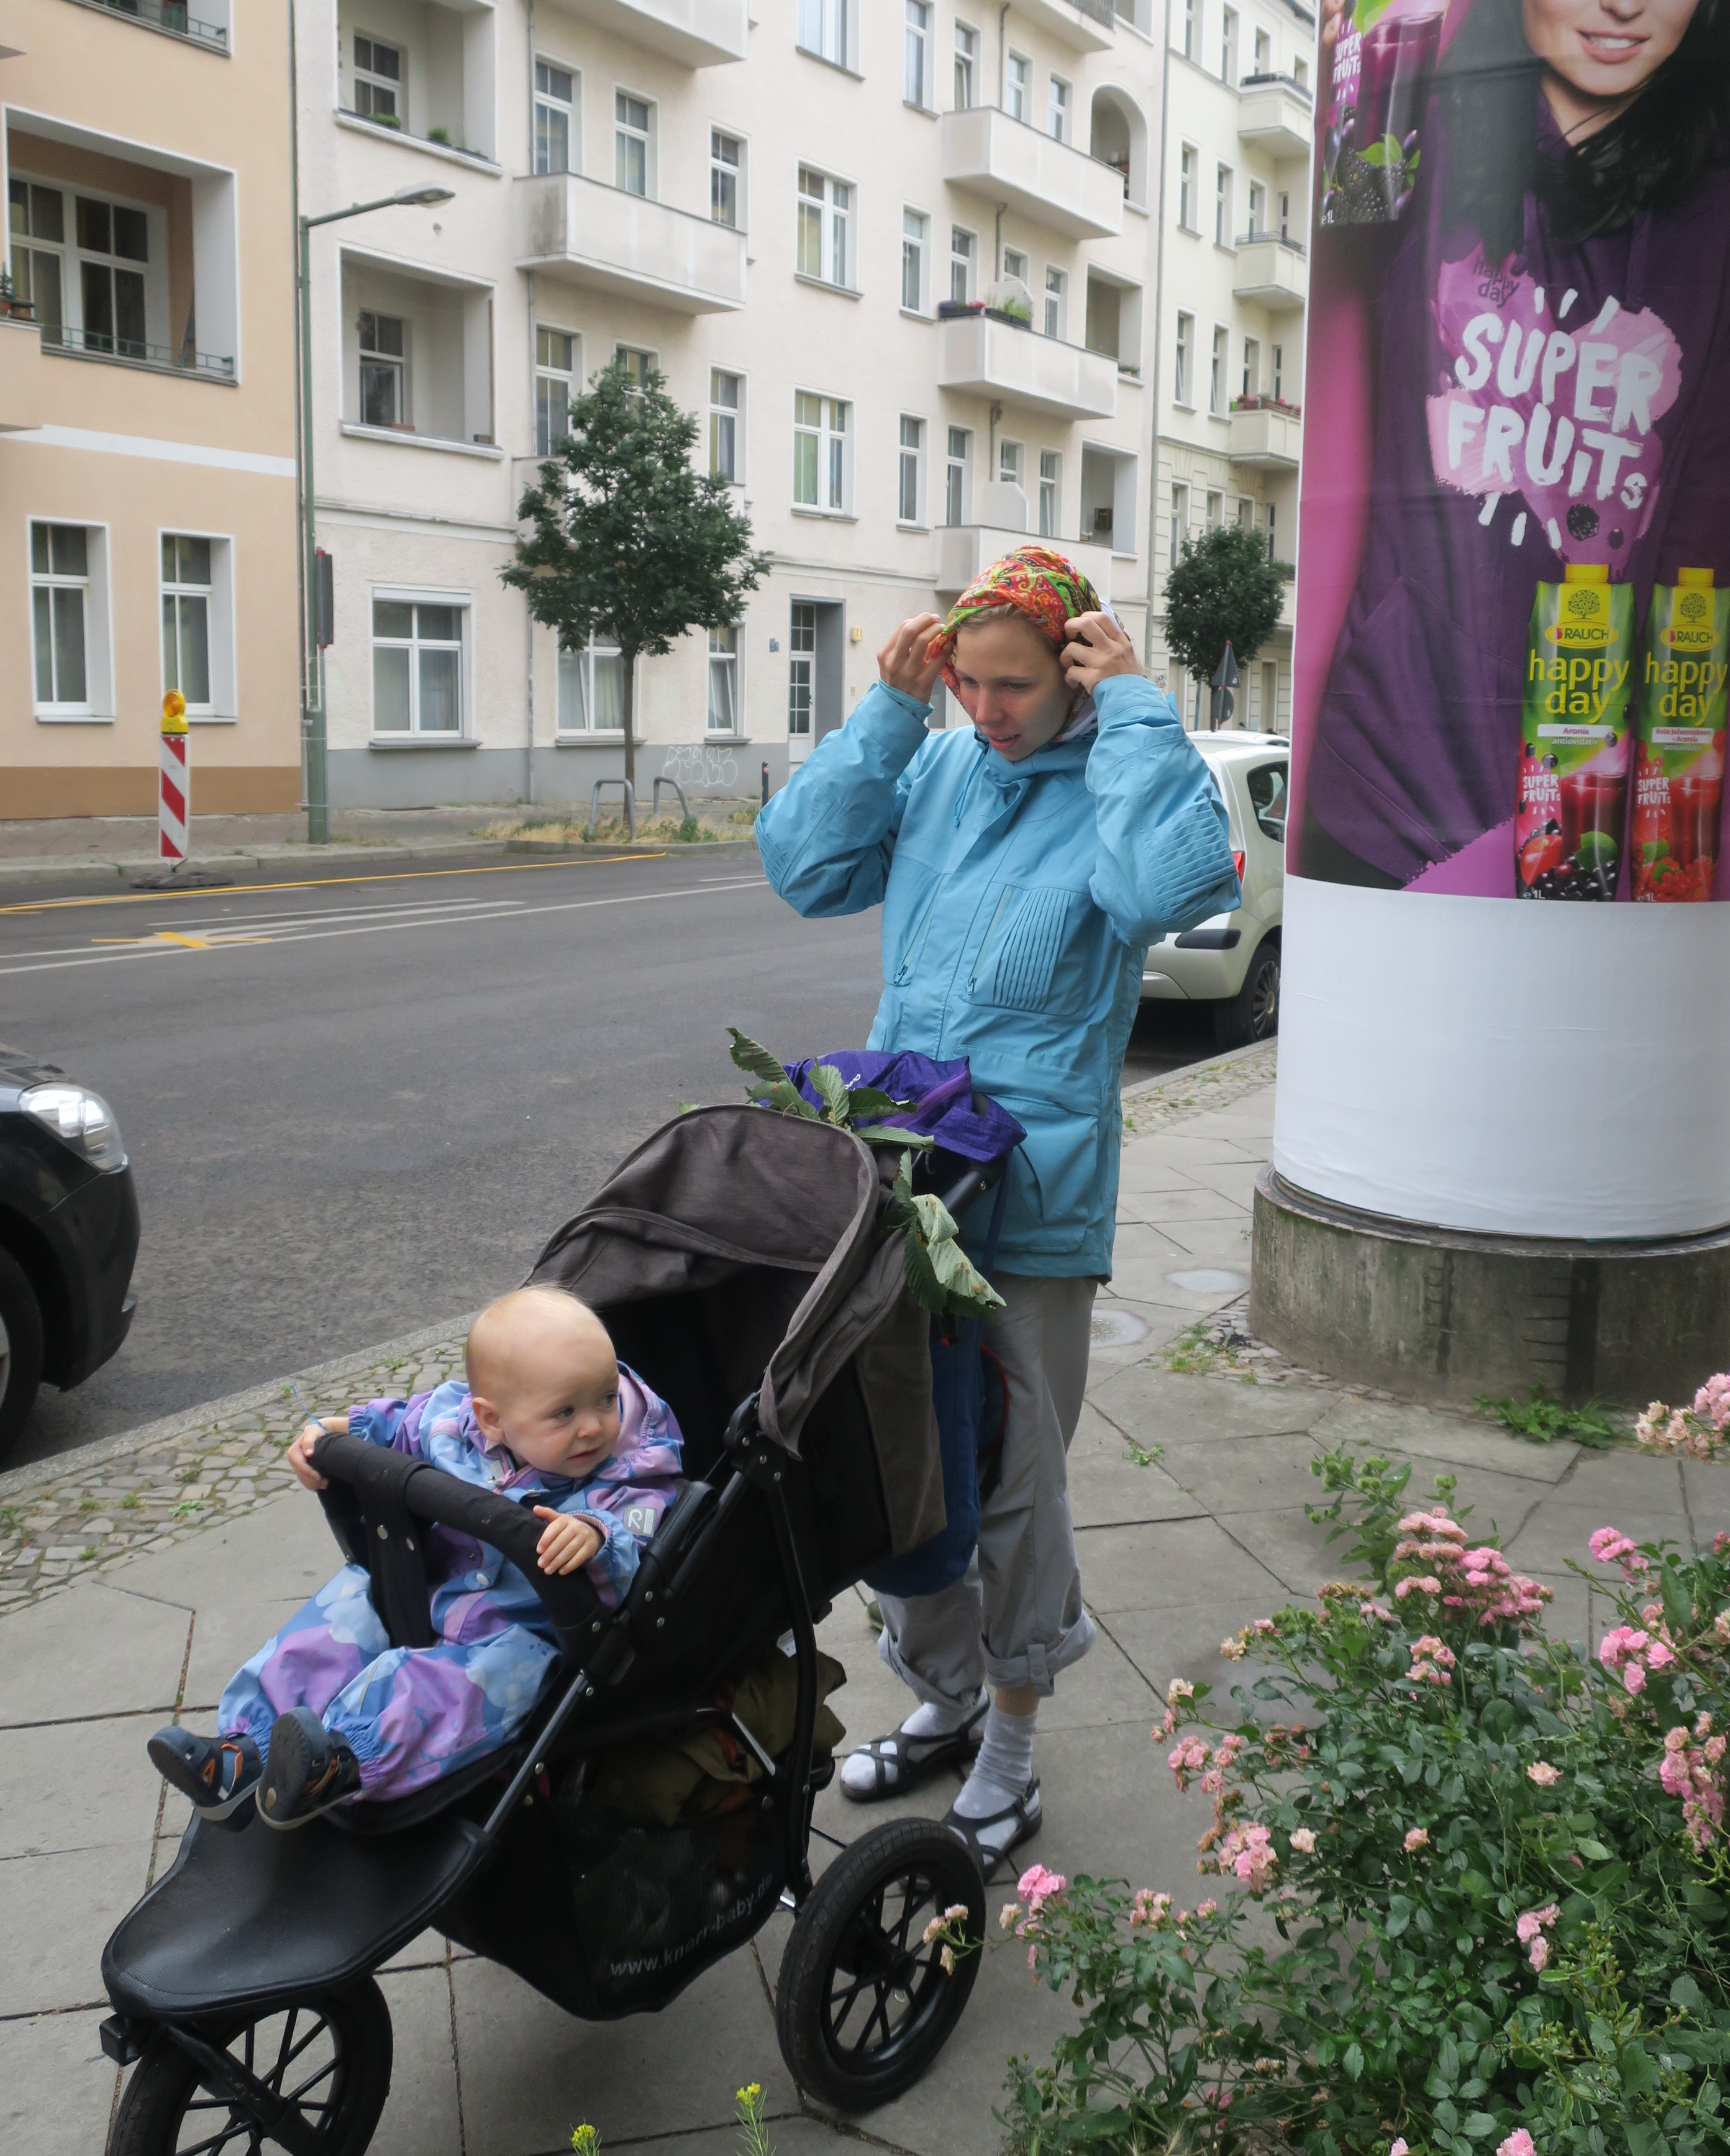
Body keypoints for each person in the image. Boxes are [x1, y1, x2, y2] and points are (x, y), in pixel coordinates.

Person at [755, 546, 1238, 1875]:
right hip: (898, 1184)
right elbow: (802, 868)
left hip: (1027, 1200)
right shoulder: (943, 764)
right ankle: (948, 1695)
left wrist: (1137, 711)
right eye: (967, 682)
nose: (988, 710)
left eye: (1014, 684)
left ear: (1075, 670)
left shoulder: (1118, 776)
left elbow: (1173, 891)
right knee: (891, 1462)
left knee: (1014, 1483)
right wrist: (885, 714)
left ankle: (1012, 1746)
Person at [1304, 0, 1730, 890]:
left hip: (1590, 821)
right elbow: (1346, 226)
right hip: (1382, 791)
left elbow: (1712, 538)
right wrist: (1355, 67)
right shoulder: (1427, 115)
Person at [147, 1286, 682, 1829]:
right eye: (564, 1412)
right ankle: (244, 1753)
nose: (593, 1426)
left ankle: (339, 1761)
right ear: (492, 1421)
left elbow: (638, 1533)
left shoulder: (627, 1471)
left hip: (516, 1636)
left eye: (605, 1399)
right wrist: (329, 1436)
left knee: (443, 1687)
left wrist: (595, 1536)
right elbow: (402, 1422)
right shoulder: (456, 1425)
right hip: (427, 1593)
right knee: (345, 1609)